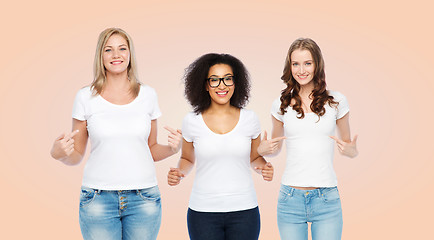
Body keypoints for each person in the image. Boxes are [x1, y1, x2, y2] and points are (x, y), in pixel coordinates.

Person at [50, 28, 182, 240]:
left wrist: (173, 148)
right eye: (108, 50)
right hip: (97, 199)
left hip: (144, 198)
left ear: (130, 54)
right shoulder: (85, 97)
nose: (116, 55)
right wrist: (58, 154)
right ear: (100, 56)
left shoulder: (147, 94)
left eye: (122, 48)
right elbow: (76, 155)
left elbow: (151, 150)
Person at [257, 38, 358, 240]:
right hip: (290, 199)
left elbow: (349, 146)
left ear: (317, 65)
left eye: (307, 63)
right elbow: (275, 147)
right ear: (290, 66)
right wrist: (263, 149)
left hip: (327, 199)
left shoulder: (337, 101)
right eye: (296, 64)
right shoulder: (280, 103)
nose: (301, 70)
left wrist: (350, 151)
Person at [167, 53, 273, 240]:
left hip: (245, 211)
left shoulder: (250, 119)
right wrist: (179, 172)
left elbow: (255, 158)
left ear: (236, 83)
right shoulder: (191, 121)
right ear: (205, 85)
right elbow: (187, 158)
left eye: (227, 79)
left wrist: (264, 168)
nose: (221, 85)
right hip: (202, 212)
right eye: (214, 80)